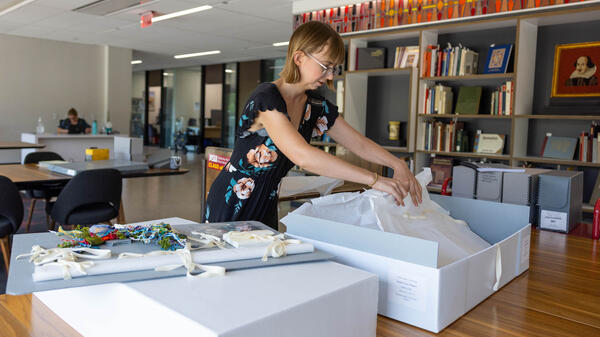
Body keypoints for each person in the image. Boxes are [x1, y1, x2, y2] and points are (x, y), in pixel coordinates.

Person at [205, 21, 422, 229]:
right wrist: (373, 179)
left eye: (334, 68)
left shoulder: (316, 106)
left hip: (268, 202)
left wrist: (398, 165)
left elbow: (358, 143)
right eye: (325, 66)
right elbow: (303, 157)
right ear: (299, 57)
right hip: (234, 199)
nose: (330, 76)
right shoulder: (266, 98)